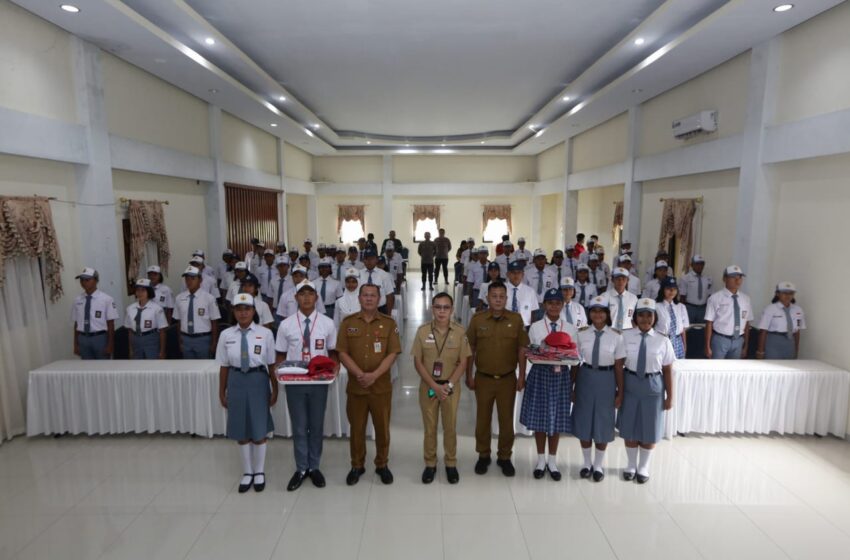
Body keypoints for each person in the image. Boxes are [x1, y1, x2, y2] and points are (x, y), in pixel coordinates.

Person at [275, 281, 339, 491]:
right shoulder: (286, 325)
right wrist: (280, 372)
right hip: (295, 383)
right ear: (295, 298)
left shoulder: (327, 323)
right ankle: (301, 468)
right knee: (300, 426)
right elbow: (281, 355)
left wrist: (335, 369)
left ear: (316, 297)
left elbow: (333, 352)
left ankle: (314, 466)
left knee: (317, 424)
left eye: (310, 293)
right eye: (301, 294)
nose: (306, 298)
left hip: (319, 383)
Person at [337, 284, 402, 485]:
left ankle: (382, 464)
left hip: (380, 387)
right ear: (359, 298)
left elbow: (392, 353)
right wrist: (358, 374)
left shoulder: (389, 323)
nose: (368, 299)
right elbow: (341, 352)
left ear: (379, 298)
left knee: (382, 428)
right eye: (365, 295)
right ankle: (357, 464)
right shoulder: (348, 323)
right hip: (356, 387)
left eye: (372, 295)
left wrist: (374, 375)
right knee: (356, 428)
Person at [466, 281, 529, 477]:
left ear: (506, 298)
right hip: (483, 378)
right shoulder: (477, 320)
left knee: (506, 420)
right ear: (487, 298)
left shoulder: (516, 319)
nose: (498, 299)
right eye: (494, 296)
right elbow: (470, 349)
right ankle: (483, 455)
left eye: (502, 296)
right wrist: (468, 375)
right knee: (482, 420)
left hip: (507, 379)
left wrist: (521, 375)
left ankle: (504, 457)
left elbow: (522, 349)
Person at [216, 293, 277, 493]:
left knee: (259, 427)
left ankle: (259, 471)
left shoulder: (265, 334)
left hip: (258, 380)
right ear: (233, 311)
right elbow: (224, 366)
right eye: (239, 309)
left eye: (247, 309)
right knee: (240, 428)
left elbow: (271, 364)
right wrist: (221, 390)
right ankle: (247, 471)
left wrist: (274, 389)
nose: (243, 313)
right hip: (236, 381)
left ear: (254, 311)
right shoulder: (226, 335)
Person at [412, 292, 471, 484]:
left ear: (452, 310)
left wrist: (448, 385)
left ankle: (450, 463)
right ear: (432, 309)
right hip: (428, 386)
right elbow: (418, 362)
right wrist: (434, 386)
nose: (442, 311)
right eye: (438, 307)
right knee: (430, 428)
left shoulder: (461, 332)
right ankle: (430, 464)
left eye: (446, 307)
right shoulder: (422, 331)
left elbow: (463, 362)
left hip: (450, 387)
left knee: (450, 427)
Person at [520, 288, 577, 481]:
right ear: (544, 305)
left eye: (558, 302)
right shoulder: (535, 327)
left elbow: (574, 354)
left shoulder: (570, 327)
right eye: (550, 302)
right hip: (540, 374)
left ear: (562, 305)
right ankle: (540, 459)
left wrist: (572, 383)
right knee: (540, 418)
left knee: (557, 419)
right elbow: (530, 351)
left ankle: (552, 460)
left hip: (561, 377)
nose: (554, 306)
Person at [618, 298, 675, 484]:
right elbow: (618, 364)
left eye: (649, 315)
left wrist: (670, 396)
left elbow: (667, 370)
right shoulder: (625, 336)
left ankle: (643, 467)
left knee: (649, 427)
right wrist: (618, 391)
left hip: (653, 386)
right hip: (630, 383)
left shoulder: (662, 340)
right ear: (635, 317)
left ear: (654, 317)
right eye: (641, 315)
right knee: (630, 426)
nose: (645, 319)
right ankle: (631, 464)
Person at [573, 296, 625, 481]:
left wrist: (620, 392)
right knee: (585, 420)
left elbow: (619, 366)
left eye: (601, 311)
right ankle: (587, 463)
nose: (597, 314)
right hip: (585, 377)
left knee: (603, 421)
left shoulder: (617, 336)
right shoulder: (581, 333)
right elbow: (575, 363)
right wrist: (572, 386)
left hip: (607, 379)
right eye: (594, 311)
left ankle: (598, 465)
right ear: (589, 313)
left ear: (607, 314)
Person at [704, 265, 752, 359]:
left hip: (738, 340)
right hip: (720, 339)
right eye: (733, 277)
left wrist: (745, 346)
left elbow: (747, 323)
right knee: (717, 370)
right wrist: (707, 346)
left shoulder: (746, 299)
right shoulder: (715, 298)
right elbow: (709, 323)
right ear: (724, 279)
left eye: (740, 277)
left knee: (733, 371)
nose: (737, 280)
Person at [174, 265, 221, 358]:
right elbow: (178, 321)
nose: (189, 281)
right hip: (186, 339)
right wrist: (180, 340)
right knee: (189, 369)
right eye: (187, 279)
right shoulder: (179, 298)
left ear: (200, 280)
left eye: (192, 278)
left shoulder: (209, 298)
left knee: (204, 369)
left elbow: (214, 322)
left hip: (203, 339)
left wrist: (214, 343)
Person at [72, 267, 118, 360]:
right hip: (83, 338)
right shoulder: (77, 300)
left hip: (100, 338)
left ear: (96, 280)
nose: (84, 282)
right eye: (82, 280)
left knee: (103, 368)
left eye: (87, 280)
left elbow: (110, 323)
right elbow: (76, 323)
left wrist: (110, 344)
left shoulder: (106, 299)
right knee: (88, 369)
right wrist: (76, 344)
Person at [757, 282, 806, 359]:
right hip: (774, 341)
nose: (788, 295)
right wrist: (760, 351)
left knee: (789, 367)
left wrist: (796, 349)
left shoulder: (798, 310)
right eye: (784, 293)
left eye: (791, 293)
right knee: (772, 367)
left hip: (790, 342)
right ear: (777, 294)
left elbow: (797, 332)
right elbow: (763, 331)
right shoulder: (770, 309)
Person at [125, 278, 167, 359]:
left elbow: (162, 332)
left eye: (143, 290)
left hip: (151, 340)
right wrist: (130, 350)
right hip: (135, 340)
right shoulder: (130, 308)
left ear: (149, 292)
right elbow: (130, 331)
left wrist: (162, 351)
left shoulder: (157, 309)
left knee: (152, 365)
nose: (140, 293)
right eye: (137, 290)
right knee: (138, 366)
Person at [655, 277, 689, 359]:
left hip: (678, 342)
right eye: (668, 289)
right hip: (661, 340)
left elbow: (683, 330)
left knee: (677, 367)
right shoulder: (656, 306)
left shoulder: (681, 307)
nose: (672, 291)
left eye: (674, 289)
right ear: (663, 290)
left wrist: (684, 346)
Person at [358, 249, 395, 315]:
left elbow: (389, 295)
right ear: (363, 260)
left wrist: (388, 315)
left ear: (376, 260)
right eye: (366, 259)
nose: (369, 261)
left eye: (372, 258)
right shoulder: (358, 274)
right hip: (362, 310)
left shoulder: (384, 275)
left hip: (380, 310)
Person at [524, 249, 558, 322]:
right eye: (538, 259)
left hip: (546, 306)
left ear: (545, 260)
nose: (540, 261)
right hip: (531, 307)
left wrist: (548, 304)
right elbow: (524, 290)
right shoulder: (527, 273)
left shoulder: (552, 274)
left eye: (542, 259)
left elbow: (554, 291)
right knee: (532, 327)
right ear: (534, 260)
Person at [679, 255, 712, 323]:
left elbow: (709, 296)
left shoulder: (708, 279)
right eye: (697, 264)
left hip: (703, 308)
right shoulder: (685, 278)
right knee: (689, 328)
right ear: (692, 265)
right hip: (690, 308)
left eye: (702, 264)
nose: (700, 266)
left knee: (701, 329)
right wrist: (681, 311)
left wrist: (709, 309)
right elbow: (682, 296)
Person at [505, 260, 539, 327]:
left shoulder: (530, 291)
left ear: (523, 274)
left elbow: (533, 313)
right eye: (513, 272)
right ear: (508, 274)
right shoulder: (501, 289)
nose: (516, 275)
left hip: (524, 327)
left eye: (519, 272)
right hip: (505, 326)